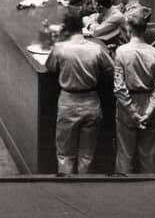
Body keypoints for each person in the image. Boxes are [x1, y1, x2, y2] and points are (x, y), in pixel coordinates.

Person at [46, 9, 113, 175]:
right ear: (82, 27)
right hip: (91, 101)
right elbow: (110, 69)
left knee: (65, 154)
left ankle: (66, 191)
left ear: (66, 28)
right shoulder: (96, 49)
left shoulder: (60, 48)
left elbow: (50, 67)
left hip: (68, 102)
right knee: (87, 155)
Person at [112, 12, 155, 174]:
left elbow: (119, 87)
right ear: (145, 30)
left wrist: (133, 113)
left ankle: (123, 192)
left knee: (124, 153)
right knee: (149, 154)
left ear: (129, 29)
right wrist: (149, 111)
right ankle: (150, 192)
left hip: (127, 105)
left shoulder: (121, 52)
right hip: (150, 102)